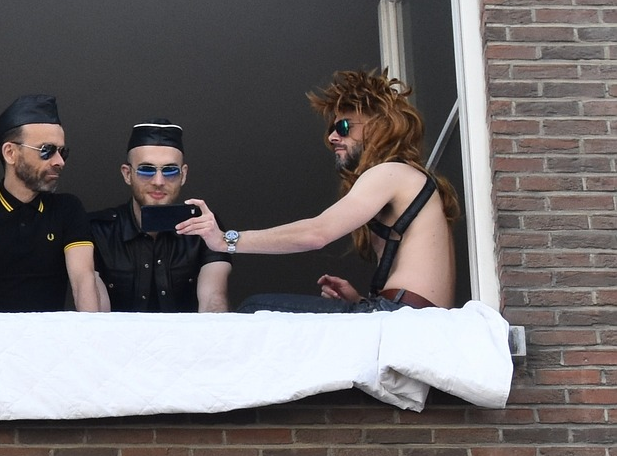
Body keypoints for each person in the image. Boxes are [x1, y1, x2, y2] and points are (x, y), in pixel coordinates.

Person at [178, 70, 459, 311]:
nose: (333, 137)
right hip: (408, 317)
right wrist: (359, 301)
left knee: (255, 309)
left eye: (344, 126)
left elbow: (316, 234)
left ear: (379, 126)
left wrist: (225, 241)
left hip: (404, 317)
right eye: (332, 129)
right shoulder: (408, 179)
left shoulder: (391, 172)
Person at [0, 94, 105, 314]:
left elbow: (83, 281)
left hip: (52, 343)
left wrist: (90, 339)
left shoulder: (68, 209)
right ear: (10, 153)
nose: (59, 161)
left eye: (62, 151)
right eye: (47, 150)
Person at [89, 119, 230, 313]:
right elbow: (96, 314)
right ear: (127, 174)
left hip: (188, 341)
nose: (158, 181)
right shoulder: (98, 229)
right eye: (146, 170)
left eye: (170, 170)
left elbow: (213, 300)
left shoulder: (203, 228)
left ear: (184, 175)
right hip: (118, 342)